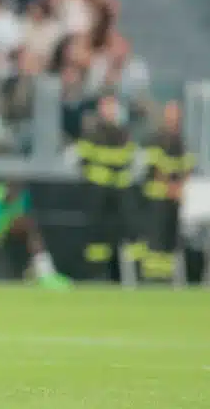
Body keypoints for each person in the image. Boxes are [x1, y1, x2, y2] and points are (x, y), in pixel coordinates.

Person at [76, 94, 136, 281]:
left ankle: (121, 277)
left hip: (119, 196)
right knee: (95, 238)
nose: (109, 111)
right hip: (97, 194)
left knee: (120, 236)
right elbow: (84, 160)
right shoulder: (92, 134)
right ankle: (94, 275)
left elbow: (127, 160)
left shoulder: (123, 134)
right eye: (106, 107)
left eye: (112, 107)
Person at [141, 101, 195, 283]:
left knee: (170, 242)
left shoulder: (181, 142)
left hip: (173, 200)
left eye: (177, 117)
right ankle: (153, 279)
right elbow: (157, 169)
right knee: (156, 240)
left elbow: (187, 168)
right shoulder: (155, 139)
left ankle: (166, 278)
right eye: (172, 117)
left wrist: (180, 188)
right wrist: (172, 188)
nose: (175, 121)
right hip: (157, 199)